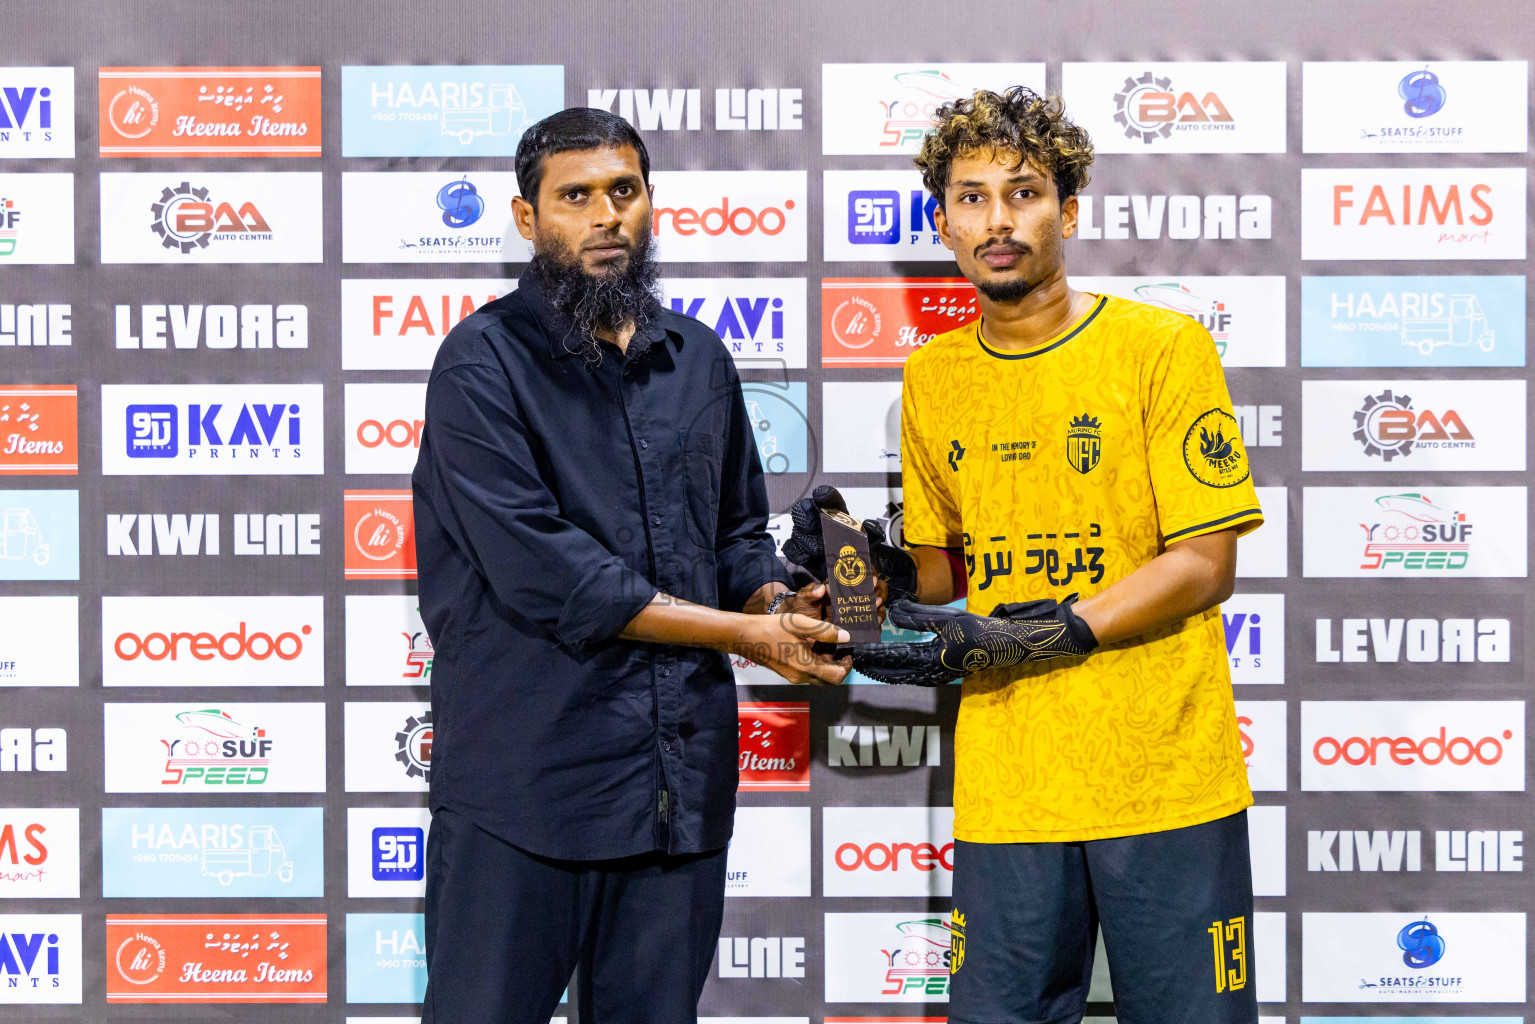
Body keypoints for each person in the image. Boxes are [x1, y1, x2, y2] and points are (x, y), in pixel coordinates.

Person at [791, 87, 1264, 1024]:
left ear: (1068, 211)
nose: (997, 221)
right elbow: (948, 564)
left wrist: (1040, 636)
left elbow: (1205, 564)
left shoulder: (1160, 348)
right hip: (1009, 777)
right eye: (970, 198)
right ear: (943, 223)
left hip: (1164, 772)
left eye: (1023, 193)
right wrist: (873, 576)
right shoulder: (933, 374)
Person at [410, 107, 848, 1024]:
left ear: (649, 201)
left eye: (623, 191)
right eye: (575, 197)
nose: (606, 215)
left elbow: (733, 536)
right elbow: (551, 574)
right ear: (527, 218)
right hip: (523, 793)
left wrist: (783, 601)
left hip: (673, 795)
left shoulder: (699, 359)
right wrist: (742, 636)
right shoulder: (479, 364)